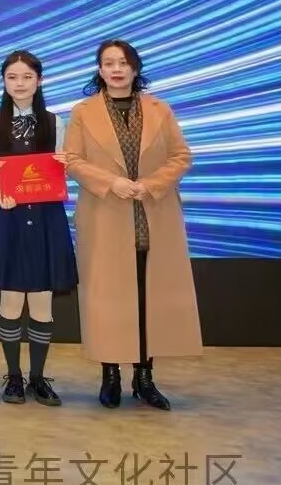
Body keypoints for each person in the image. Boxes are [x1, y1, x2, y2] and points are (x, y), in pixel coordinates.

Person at [64, 39, 198, 410]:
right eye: (109, 63)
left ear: (135, 68)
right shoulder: (83, 111)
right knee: (109, 301)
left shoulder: (159, 109)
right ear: (100, 70)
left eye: (123, 63)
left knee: (147, 299)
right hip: (105, 213)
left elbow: (181, 156)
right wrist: (112, 182)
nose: (116, 69)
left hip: (153, 214)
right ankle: (110, 377)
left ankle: (145, 378)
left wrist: (149, 185)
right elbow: (72, 160)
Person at [0, 50, 78, 406]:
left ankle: (38, 378)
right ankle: (14, 378)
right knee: (11, 300)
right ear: (4, 81)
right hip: (8, 217)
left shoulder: (55, 122)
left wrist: (65, 165)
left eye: (27, 77)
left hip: (46, 217)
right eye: (12, 77)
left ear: (39, 80)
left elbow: (60, 171)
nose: (19, 84)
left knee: (42, 301)